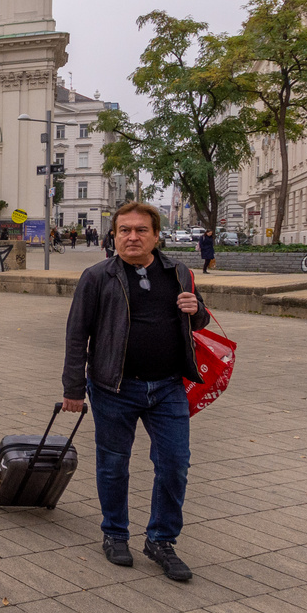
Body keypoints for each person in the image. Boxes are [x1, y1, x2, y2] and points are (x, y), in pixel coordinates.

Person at [61, 201, 210, 583]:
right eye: (124, 230)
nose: (131, 237)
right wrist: (73, 389)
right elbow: (77, 335)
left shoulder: (178, 273)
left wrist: (198, 309)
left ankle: (161, 540)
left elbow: (199, 318)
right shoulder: (97, 277)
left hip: (167, 387)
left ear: (156, 236)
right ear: (114, 236)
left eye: (140, 230)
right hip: (113, 387)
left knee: (175, 464)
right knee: (113, 465)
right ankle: (115, 533)